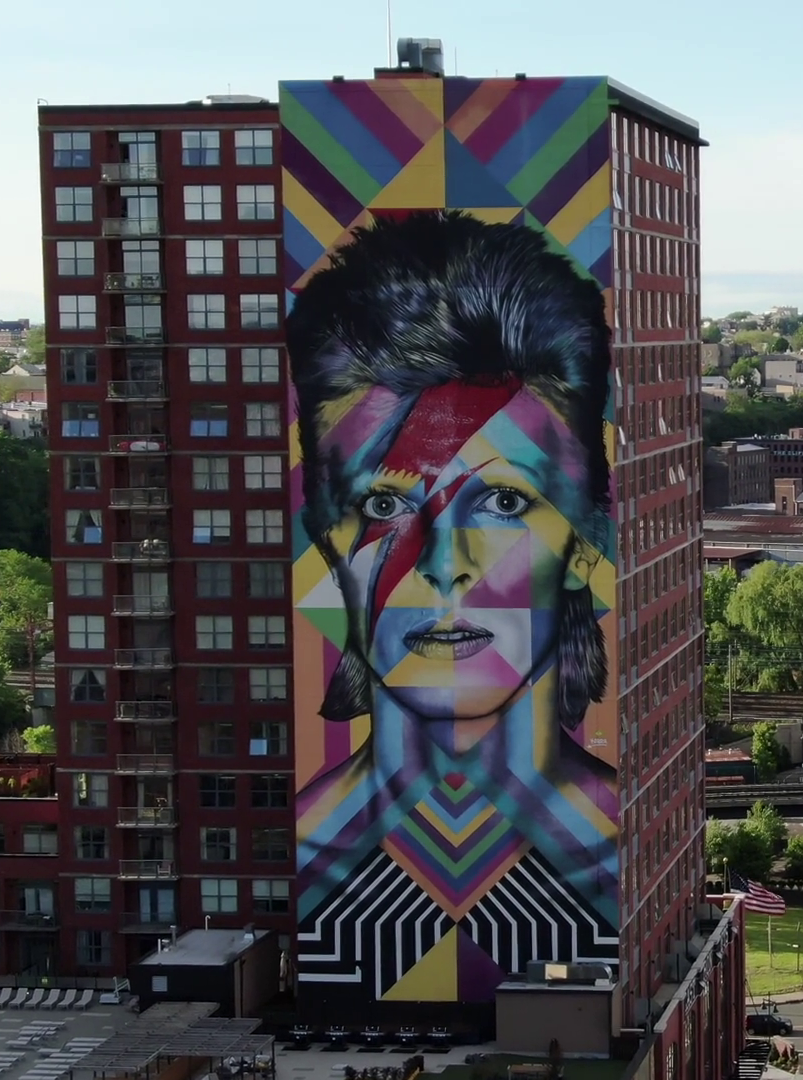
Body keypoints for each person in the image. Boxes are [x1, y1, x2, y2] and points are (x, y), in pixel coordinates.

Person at [289, 210, 619, 1001]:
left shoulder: (628, 851)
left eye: (503, 502)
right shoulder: (301, 858)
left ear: (584, 542)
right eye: (385, 507)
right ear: (328, 541)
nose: (444, 566)